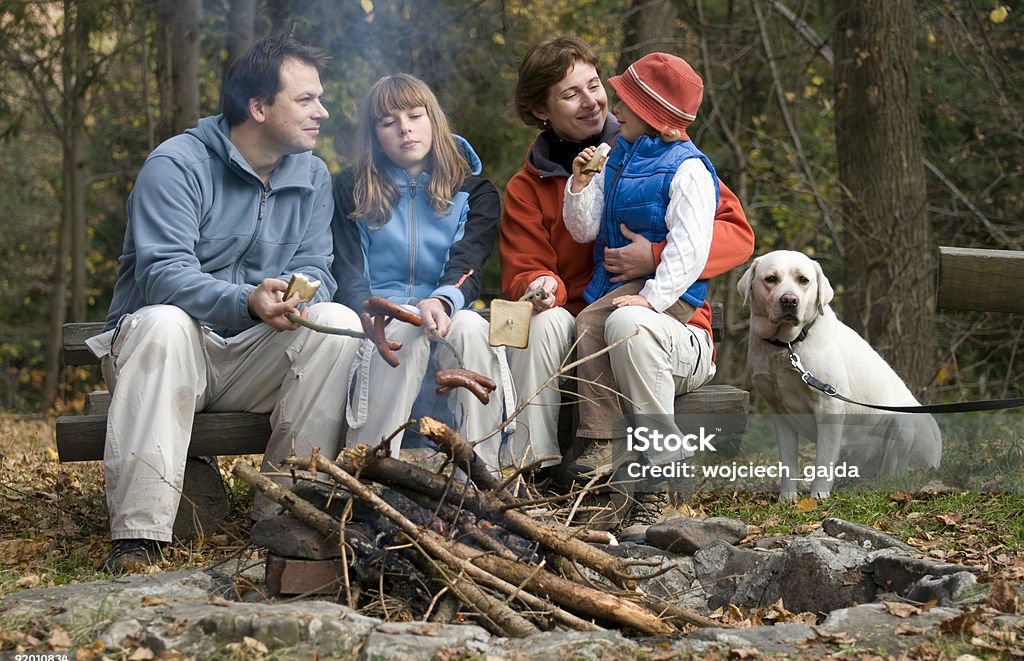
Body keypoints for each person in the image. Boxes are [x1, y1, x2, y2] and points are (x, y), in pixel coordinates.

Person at [87, 35, 365, 572]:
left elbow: (318, 268)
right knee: (163, 322)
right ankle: (137, 540)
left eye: (320, 98)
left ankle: (287, 512)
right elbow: (162, 276)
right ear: (258, 108)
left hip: (253, 356)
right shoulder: (177, 165)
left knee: (337, 320)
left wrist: (296, 295)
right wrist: (246, 299)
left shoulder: (310, 175)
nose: (322, 112)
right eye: (306, 100)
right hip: (171, 352)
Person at [500, 37, 754, 526]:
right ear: (540, 110)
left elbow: (735, 234)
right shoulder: (528, 187)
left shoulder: (656, 155)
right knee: (544, 323)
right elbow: (523, 269)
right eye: (570, 94)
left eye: (594, 85)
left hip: (650, 321)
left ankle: (642, 485)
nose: (593, 100)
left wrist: (653, 257)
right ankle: (532, 474)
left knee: (625, 329)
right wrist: (542, 284)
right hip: (578, 329)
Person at [330, 74, 505, 470]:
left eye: (414, 115)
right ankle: (371, 473)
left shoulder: (473, 191)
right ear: (374, 134)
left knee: (474, 329)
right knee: (404, 328)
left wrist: (441, 300)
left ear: (434, 120)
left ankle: (482, 482)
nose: (404, 128)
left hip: (448, 310)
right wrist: (374, 308)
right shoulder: (351, 187)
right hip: (378, 319)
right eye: (388, 121)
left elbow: (469, 264)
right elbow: (347, 268)